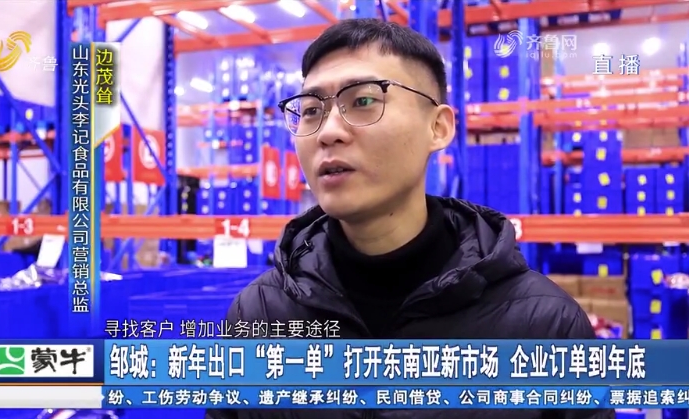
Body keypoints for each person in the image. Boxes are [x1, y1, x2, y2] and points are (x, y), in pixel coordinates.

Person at [206, 19, 614, 419]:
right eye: (311, 110)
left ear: (438, 127)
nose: (328, 131)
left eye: (363, 101)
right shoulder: (259, 315)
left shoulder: (545, 325)